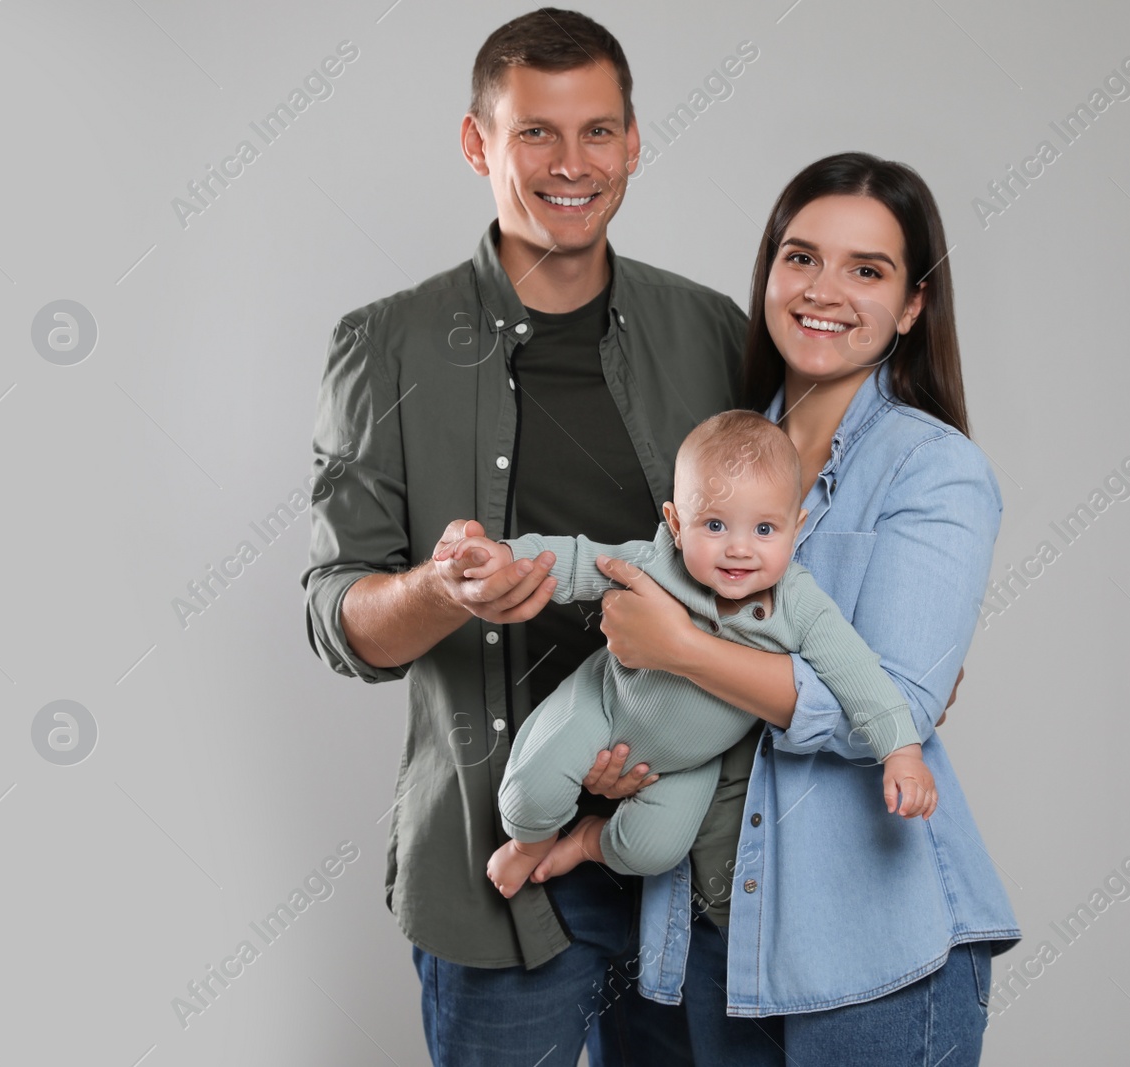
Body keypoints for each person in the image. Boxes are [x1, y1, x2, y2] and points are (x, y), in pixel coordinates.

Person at [300, 10, 968, 1066]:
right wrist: (443, 587)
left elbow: (797, 538)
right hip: (495, 876)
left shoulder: (709, 329)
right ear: (478, 144)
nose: (572, 164)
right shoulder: (386, 344)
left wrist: (891, 676)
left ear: (634, 141)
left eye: (598, 132)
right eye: (535, 134)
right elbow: (340, 622)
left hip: (692, 887)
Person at [520, 153, 1024, 1065]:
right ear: (768, 276)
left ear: (911, 306)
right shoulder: (721, 453)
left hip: (870, 949)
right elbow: (683, 682)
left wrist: (678, 650)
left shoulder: (932, 468)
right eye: (801, 258)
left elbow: (898, 705)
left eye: (867, 270)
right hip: (711, 936)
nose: (824, 290)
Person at [452, 410, 936, 899]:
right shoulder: (655, 564)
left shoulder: (801, 606)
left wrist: (901, 750)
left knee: (653, 852)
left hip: (687, 763)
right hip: (604, 704)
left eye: (765, 529)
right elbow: (578, 558)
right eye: (716, 525)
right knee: (529, 796)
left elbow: (856, 672)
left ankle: (586, 843)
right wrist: (509, 557)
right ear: (676, 524)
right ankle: (529, 847)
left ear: (797, 525)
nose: (740, 549)